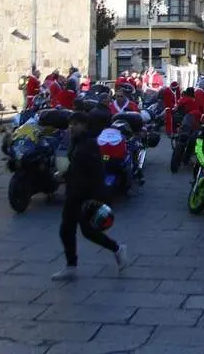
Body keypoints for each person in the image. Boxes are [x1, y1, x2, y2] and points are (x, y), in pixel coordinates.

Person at [52, 112, 127, 281]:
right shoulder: (76, 143)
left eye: (76, 124)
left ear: (84, 126)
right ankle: (71, 265)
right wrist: (63, 176)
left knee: (88, 232)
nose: (72, 127)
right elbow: (75, 169)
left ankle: (117, 249)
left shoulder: (89, 145)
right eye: (71, 124)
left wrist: (95, 199)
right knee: (66, 230)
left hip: (85, 196)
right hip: (73, 194)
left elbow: (95, 174)